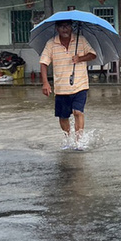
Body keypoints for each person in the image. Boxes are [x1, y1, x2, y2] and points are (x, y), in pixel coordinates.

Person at [39, 21, 97, 150]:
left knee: (78, 112)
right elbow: (43, 63)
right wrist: (45, 83)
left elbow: (92, 54)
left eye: (67, 26)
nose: (64, 29)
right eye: (61, 26)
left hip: (80, 85)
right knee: (63, 116)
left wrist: (80, 58)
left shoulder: (80, 40)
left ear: (72, 27)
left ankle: (79, 141)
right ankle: (68, 138)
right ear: (57, 28)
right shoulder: (51, 43)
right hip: (61, 88)